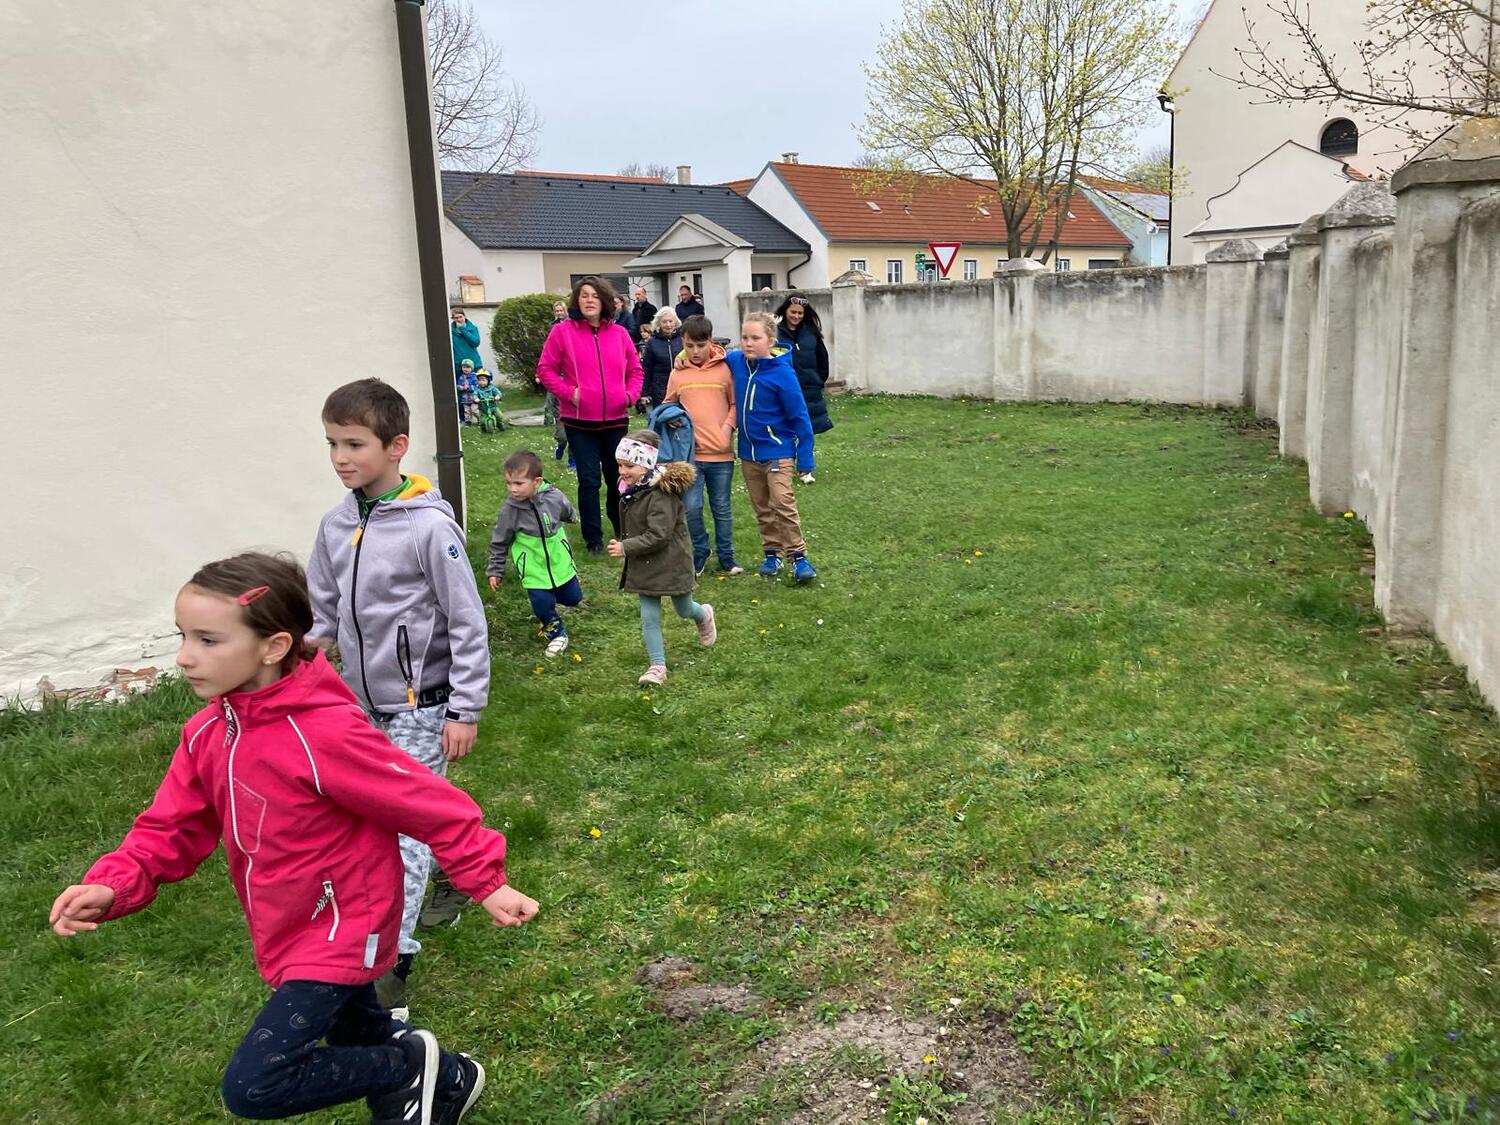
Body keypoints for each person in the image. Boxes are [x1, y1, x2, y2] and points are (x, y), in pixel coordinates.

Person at [50, 551, 538, 1125]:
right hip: (285, 921)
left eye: (208, 640)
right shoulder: (209, 732)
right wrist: (114, 884)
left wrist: (486, 882)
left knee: (256, 1086)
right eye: (183, 636)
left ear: (274, 646)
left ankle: (406, 1071)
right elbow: (170, 825)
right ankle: (450, 1078)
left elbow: (430, 805)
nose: (184, 656)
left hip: (342, 925)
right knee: (358, 1031)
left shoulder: (324, 732)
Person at [307, 378, 491, 1014]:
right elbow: (323, 611)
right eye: (332, 444)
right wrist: (296, 663)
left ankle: (392, 961)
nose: (340, 458)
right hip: (359, 707)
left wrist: (464, 707)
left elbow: (466, 621)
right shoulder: (335, 524)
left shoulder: (429, 529)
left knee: (402, 832)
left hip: (425, 704)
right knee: (372, 821)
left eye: (354, 444)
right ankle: (462, 866)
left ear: (396, 446)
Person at [536, 275, 644, 554]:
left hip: (615, 420)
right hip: (579, 422)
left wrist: (629, 396)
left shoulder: (620, 334)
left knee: (617, 478)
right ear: (577, 300)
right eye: (584, 295)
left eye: (595, 295)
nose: (589, 300)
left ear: (605, 300)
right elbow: (545, 370)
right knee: (589, 480)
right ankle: (593, 539)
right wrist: (568, 393)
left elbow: (635, 371)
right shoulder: (562, 332)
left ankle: (622, 529)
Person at [607, 431, 716, 685]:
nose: (622, 471)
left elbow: (659, 535)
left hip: (672, 561)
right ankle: (657, 666)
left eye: (629, 466)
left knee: (683, 609)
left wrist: (625, 547)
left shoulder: (660, 495)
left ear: (646, 464)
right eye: (620, 465)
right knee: (649, 617)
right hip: (645, 564)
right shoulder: (632, 489)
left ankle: (703, 615)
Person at [722, 312, 818, 583]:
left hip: (778, 452)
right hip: (749, 454)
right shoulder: (737, 362)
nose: (748, 343)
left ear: (770, 341)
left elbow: (800, 417)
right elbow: (713, 354)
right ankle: (772, 553)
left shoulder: (783, 374)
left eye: (755, 338)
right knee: (762, 506)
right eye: (744, 337)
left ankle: (798, 557)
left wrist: (805, 458)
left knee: (782, 501)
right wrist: (683, 357)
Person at [665, 314, 743, 576]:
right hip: (690, 456)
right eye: (689, 346)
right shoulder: (677, 374)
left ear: (711, 341)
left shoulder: (725, 369)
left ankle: (727, 556)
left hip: (721, 455)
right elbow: (668, 405)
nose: (695, 351)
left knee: (722, 508)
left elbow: (734, 404)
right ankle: (700, 550)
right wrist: (672, 418)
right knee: (691, 507)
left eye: (701, 345)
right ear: (682, 342)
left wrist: (727, 428)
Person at [486, 449, 581, 656]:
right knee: (542, 603)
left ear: (536, 482)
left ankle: (551, 603)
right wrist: (495, 570)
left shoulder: (554, 496)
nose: (513, 489)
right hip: (533, 567)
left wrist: (572, 517)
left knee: (573, 598)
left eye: (519, 483)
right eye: (509, 483)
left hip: (559, 561)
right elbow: (499, 542)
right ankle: (556, 633)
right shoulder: (510, 510)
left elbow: (565, 508)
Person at [775, 295, 833, 445]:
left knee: (807, 435)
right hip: (785, 390)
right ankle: (784, 461)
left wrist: (818, 380)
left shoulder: (811, 333)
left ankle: (805, 460)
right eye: (793, 312)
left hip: (810, 392)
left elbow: (823, 359)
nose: (796, 316)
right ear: (785, 311)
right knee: (784, 434)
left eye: (800, 313)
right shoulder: (775, 334)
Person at [640, 307, 684, 409]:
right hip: (660, 389)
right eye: (664, 322)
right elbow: (646, 368)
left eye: (670, 321)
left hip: (681, 386)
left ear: (675, 322)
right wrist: (644, 392)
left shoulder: (683, 339)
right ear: (659, 323)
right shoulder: (652, 342)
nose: (668, 325)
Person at [450, 306, 482, 376]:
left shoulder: (472, 328)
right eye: (456, 318)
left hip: (474, 365)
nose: (459, 319)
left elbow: (476, 342)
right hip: (459, 367)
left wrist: (463, 329)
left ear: (464, 316)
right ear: (453, 319)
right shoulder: (450, 331)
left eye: (460, 317)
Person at [455, 361, 479, 426]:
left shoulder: (474, 376)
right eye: (464, 367)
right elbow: (458, 386)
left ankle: (479, 419)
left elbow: (477, 386)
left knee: (474, 410)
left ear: (471, 368)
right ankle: (468, 422)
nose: (465, 369)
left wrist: (469, 387)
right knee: (466, 411)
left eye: (468, 367)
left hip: (473, 397)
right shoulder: (461, 377)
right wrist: (460, 387)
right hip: (465, 398)